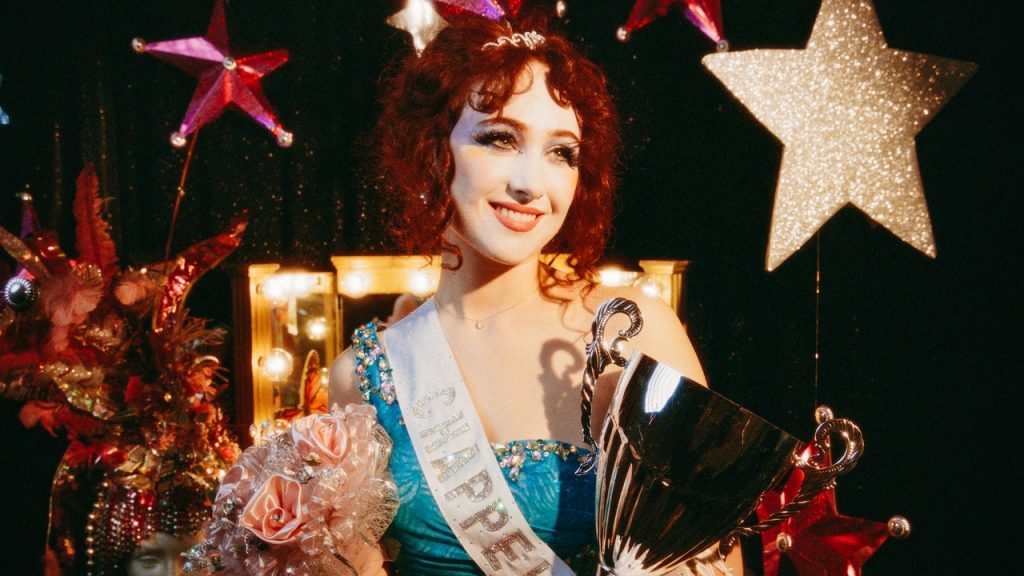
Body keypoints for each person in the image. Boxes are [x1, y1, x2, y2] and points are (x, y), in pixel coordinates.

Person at [329, 14, 743, 576]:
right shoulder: (363, 375)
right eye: (500, 139)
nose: (531, 183)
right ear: (430, 152)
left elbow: (715, 557)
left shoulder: (634, 331)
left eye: (562, 153)